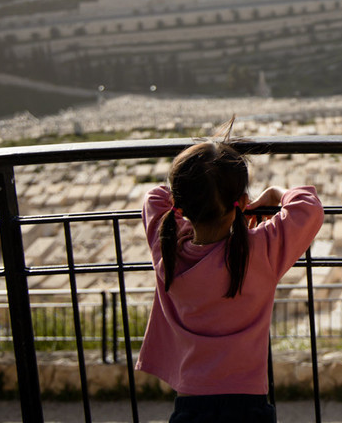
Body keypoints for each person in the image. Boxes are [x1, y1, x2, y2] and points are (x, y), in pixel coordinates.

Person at [136, 123, 324, 423]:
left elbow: (154, 198)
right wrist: (276, 193)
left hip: (190, 402)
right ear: (244, 203)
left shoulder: (167, 249)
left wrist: (188, 202)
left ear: (181, 207)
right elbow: (309, 207)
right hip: (248, 401)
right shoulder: (259, 252)